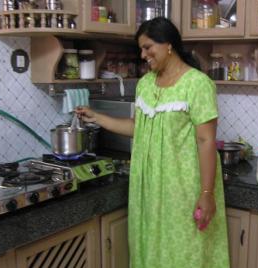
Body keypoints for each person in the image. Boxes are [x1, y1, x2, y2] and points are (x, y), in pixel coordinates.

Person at [75, 17, 230, 268]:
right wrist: (97, 116)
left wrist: (206, 193)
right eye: (141, 48)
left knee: (184, 252)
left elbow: (206, 140)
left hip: (182, 188)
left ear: (168, 45)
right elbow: (138, 128)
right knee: (151, 250)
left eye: (148, 47)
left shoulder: (198, 84)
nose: (143, 54)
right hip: (148, 187)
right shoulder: (145, 84)